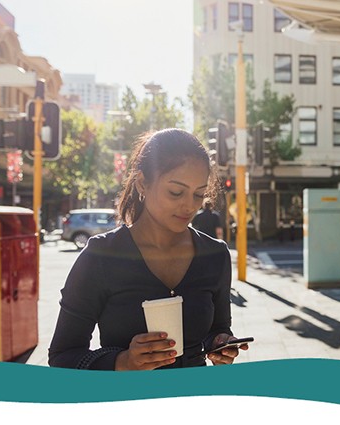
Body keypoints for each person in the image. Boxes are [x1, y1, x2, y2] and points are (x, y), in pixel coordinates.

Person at [48, 128, 248, 370]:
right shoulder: (101, 255)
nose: (189, 205)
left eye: (199, 194)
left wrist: (220, 343)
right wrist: (122, 362)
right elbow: (62, 356)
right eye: (176, 192)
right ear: (142, 183)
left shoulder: (215, 255)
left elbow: (218, 329)